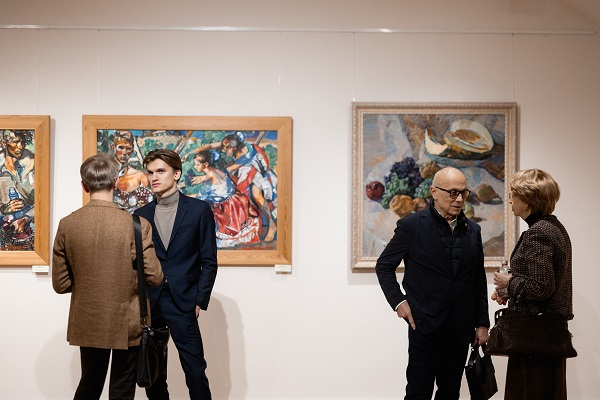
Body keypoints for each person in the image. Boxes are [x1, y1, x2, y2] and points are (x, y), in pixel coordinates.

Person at [52, 154, 163, 400]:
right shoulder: (136, 225)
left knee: (89, 386)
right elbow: (154, 277)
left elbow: (61, 284)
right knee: (122, 390)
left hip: (88, 319)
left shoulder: (67, 224)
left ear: (84, 185)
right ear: (115, 183)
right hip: (128, 320)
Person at [375, 167, 490, 400]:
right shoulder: (411, 226)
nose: (459, 199)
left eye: (464, 193)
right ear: (434, 192)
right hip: (424, 325)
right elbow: (384, 266)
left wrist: (482, 323)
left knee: (450, 393)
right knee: (418, 393)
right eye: (453, 193)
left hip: (460, 328)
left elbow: (478, 279)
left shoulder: (473, 230)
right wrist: (398, 302)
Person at [134, 149, 218, 400]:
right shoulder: (140, 216)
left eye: (161, 171)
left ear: (177, 173)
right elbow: (138, 264)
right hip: (151, 302)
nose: (154, 177)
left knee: (195, 370)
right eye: (150, 172)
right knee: (154, 374)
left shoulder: (199, 210)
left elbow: (209, 261)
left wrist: (199, 299)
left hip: (184, 301)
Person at [492, 169, 573, 400]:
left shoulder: (538, 233)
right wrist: (510, 291)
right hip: (546, 335)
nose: (510, 200)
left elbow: (541, 287)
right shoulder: (555, 228)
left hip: (534, 338)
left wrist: (509, 282)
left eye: (513, 195)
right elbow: (545, 282)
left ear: (528, 201)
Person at [184, 150, 260, 248]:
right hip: (235, 201)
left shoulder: (209, 179)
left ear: (206, 164)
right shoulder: (216, 171)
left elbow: (202, 197)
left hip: (227, 209)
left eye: (197, 164)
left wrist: (186, 196)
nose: (195, 167)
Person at [0, 129, 35, 250]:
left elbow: (43, 202)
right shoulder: (1, 172)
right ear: (4, 143)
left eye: (22, 142)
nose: (20, 146)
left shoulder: (30, 169)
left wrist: (26, 217)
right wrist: (3, 210)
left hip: (28, 234)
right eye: (15, 142)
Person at [110, 130, 153, 212]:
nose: (124, 152)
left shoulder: (141, 177)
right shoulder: (105, 175)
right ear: (112, 147)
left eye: (128, 149)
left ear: (132, 149)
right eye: (121, 147)